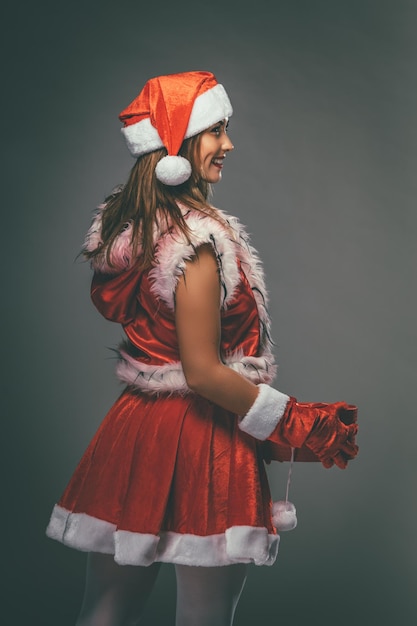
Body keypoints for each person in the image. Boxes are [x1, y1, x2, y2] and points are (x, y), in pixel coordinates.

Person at [46, 71, 358, 626]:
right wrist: (291, 420)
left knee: (107, 605)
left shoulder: (139, 229)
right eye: (216, 130)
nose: (229, 145)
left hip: (135, 431)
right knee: (204, 619)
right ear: (177, 145)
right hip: (203, 441)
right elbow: (204, 372)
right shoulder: (196, 243)